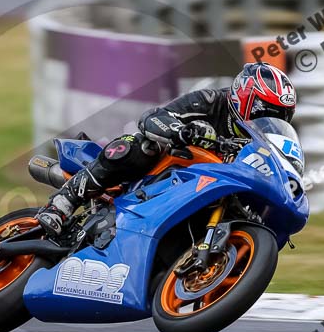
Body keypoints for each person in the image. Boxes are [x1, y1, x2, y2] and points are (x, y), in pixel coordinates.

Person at [36, 62, 297, 236]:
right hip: (164, 174)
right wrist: (183, 132)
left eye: (280, 116)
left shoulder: (262, 142)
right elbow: (153, 118)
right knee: (140, 145)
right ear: (245, 97)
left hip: (206, 190)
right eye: (266, 112)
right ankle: (62, 203)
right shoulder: (211, 101)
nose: (269, 120)